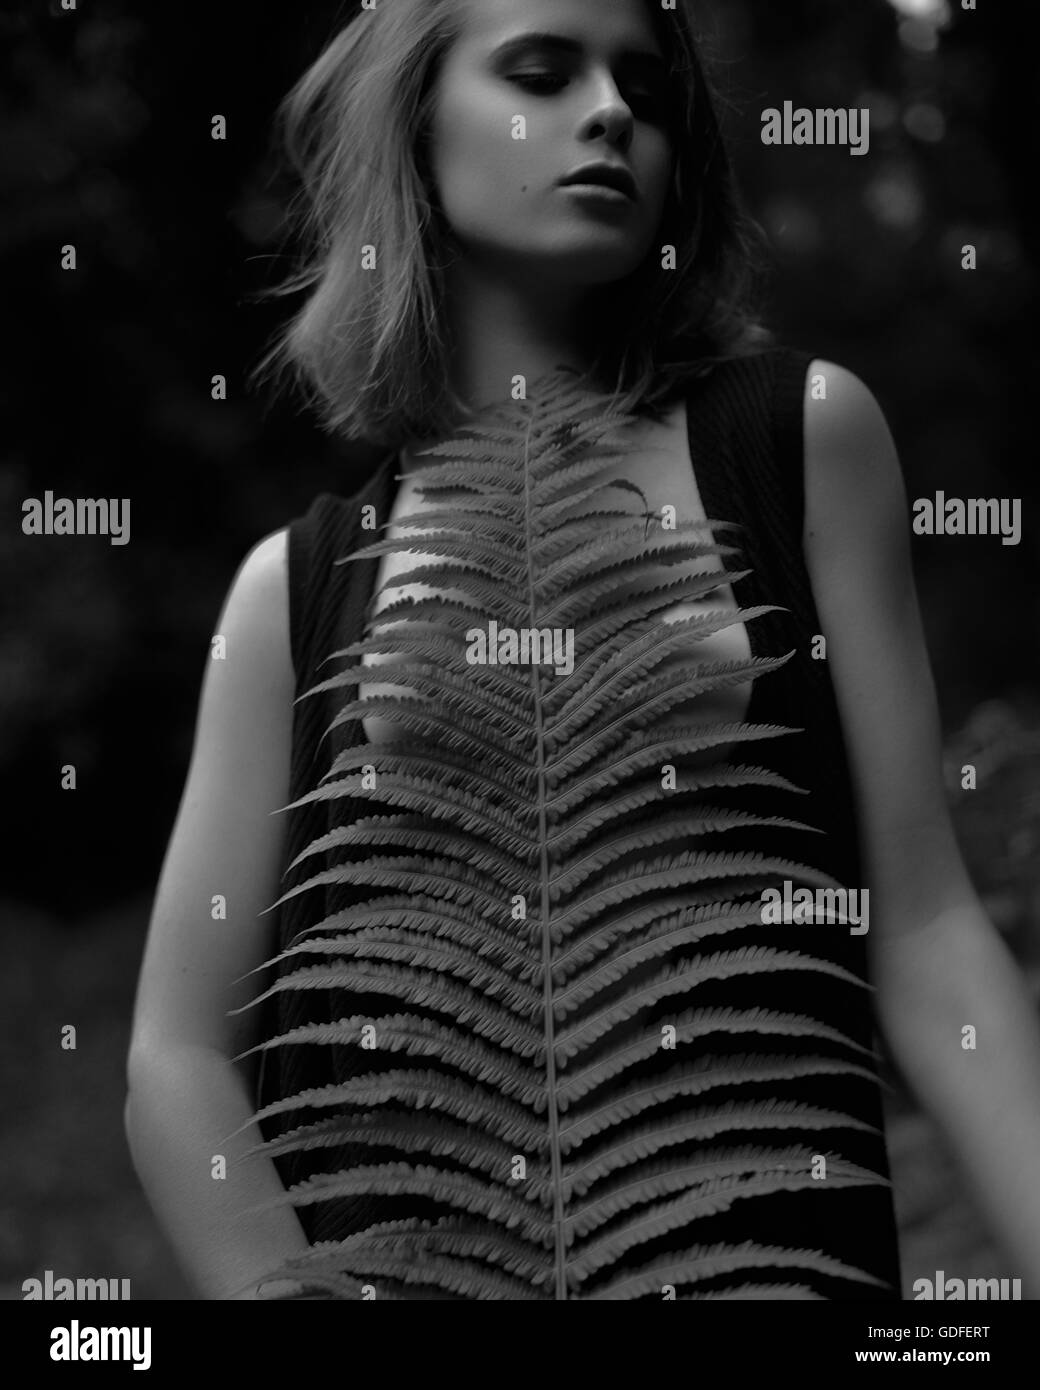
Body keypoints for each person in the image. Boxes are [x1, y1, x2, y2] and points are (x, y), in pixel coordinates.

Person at [125, 0, 1040, 1301]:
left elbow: (927, 923)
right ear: (414, 128)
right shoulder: (294, 590)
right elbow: (175, 1056)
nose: (611, 111)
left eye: (647, 89)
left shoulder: (798, 445)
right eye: (544, 73)